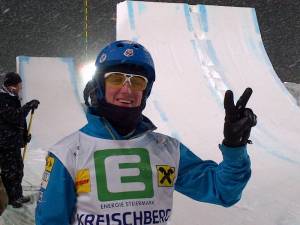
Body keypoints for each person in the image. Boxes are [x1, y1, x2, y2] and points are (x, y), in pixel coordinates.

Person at [35, 40, 257, 225]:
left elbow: (223, 191)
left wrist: (235, 148)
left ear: (146, 92)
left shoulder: (168, 149)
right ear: (99, 86)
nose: (127, 89)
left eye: (137, 82)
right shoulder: (68, 152)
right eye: (116, 78)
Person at [0, 72, 40, 208]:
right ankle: (11, 198)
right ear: (11, 86)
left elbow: (18, 122)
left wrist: (23, 136)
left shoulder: (13, 98)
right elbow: (14, 117)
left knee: (18, 169)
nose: (20, 88)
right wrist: (28, 106)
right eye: (19, 85)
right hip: (4, 144)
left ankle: (17, 195)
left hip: (12, 142)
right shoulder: (2, 99)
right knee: (9, 172)